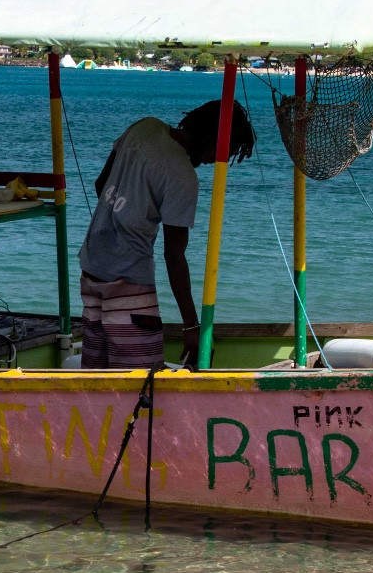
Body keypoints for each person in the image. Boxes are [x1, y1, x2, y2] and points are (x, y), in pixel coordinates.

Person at [77, 98, 254, 370]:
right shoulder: (182, 176)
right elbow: (174, 255)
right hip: (129, 280)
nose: (211, 161)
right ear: (212, 137)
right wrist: (192, 325)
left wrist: (127, 211)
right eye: (220, 152)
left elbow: (102, 184)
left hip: (91, 268)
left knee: (96, 377)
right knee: (141, 383)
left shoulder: (144, 127)